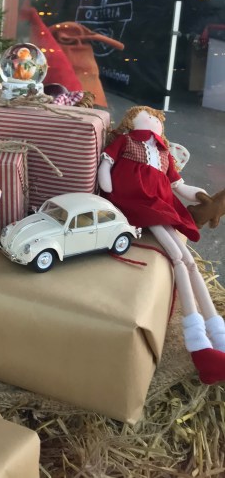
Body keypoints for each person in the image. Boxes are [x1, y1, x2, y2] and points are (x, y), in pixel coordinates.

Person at [98, 105, 225, 385]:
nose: (153, 120)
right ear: (132, 121)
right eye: (148, 116)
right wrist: (107, 186)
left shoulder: (164, 153)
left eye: (156, 118)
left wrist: (201, 196)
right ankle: (199, 346)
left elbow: (178, 186)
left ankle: (219, 337)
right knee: (180, 258)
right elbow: (106, 164)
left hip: (161, 203)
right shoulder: (126, 141)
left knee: (187, 261)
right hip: (136, 200)